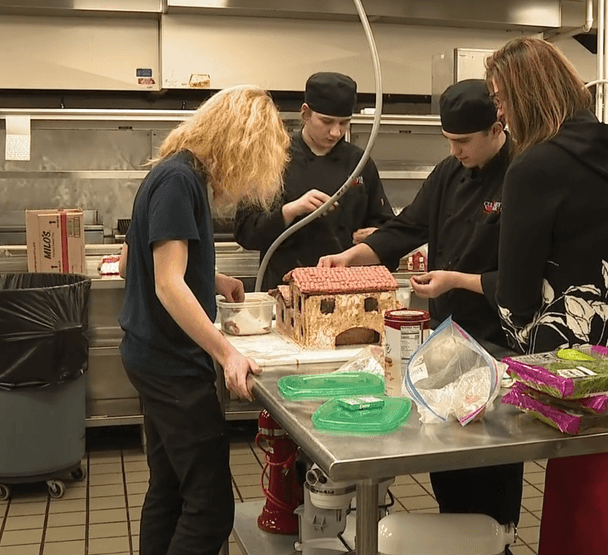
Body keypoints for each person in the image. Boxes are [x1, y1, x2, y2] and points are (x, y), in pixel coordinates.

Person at [486, 37, 608, 555]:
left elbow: (516, 291)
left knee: (576, 477)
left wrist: (510, 336)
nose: (498, 111)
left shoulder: (533, 167)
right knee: (596, 472)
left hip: (572, 357)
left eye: (501, 98)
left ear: (526, 94)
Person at [318, 79, 523, 533]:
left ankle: (498, 540)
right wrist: (350, 260)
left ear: (497, 127)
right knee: (447, 461)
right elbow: (405, 227)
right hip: (445, 341)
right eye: (449, 141)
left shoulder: (520, 174)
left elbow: (521, 280)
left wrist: (455, 280)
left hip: (497, 346)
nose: (456, 152)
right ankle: (457, 536)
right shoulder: (448, 174)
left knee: (491, 464)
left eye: (464, 142)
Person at [118, 85, 290, 555]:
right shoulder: (180, 181)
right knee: (211, 509)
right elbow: (167, 284)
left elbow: (131, 255)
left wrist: (211, 278)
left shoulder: (172, 175)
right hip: (171, 363)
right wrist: (227, 351)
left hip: (150, 355)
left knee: (169, 489)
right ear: (239, 144)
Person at [234, 71, 394, 288]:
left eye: (344, 123)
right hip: (287, 290)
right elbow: (246, 233)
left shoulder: (360, 162)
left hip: (345, 289)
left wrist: (376, 236)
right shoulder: (272, 159)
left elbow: (387, 228)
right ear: (305, 113)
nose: (336, 132)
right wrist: (290, 211)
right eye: (327, 122)